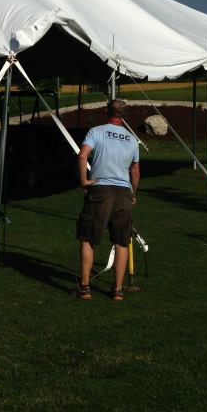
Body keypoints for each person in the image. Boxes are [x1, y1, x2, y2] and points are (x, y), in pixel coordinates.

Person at [72, 98, 140, 301]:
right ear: (124, 115)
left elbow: (82, 155)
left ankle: (84, 288)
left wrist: (84, 180)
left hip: (101, 190)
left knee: (88, 237)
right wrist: (133, 193)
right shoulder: (131, 138)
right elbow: (135, 171)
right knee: (122, 241)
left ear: (106, 111)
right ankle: (117, 290)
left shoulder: (96, 131)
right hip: (124, 193)